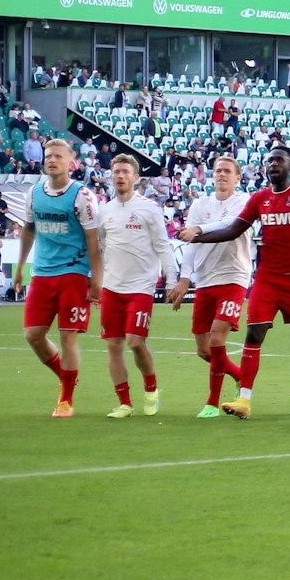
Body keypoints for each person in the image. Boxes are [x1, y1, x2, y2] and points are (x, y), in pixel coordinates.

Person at [179, 146, 290, 419]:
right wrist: (196, 238)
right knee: (254, 335)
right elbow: (233, 229)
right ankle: (244, 400)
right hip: (267, 279)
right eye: (270, 160)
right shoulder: (260, 199)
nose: (273, 164)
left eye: (279, 160)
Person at [12, 138, 100, 417]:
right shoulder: (34, 193)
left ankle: (66, 399)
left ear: (71, 162)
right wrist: (20, 266)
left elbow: (92, 239)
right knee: (33, 335)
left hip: (73, 274)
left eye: (58, 156)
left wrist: (96, 278)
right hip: (42, 274)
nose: (52, 160)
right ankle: (66, 375)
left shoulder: (82, 196)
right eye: (48, 156)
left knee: (68, 337)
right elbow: (28, 230)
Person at [167, 155, 253, 418]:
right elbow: (192, 243)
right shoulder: (200, 204)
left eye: (228, 171)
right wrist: (185, 278)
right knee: (204, 350)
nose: (222, 175)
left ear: (238, 177)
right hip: (205, 279)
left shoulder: (244, 202)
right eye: (218, 171)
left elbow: (229, 226)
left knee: (217, 338)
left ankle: (212, 403)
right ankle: (241, 376)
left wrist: (198, 228)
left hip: (233, 276)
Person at [95, 155, 174, 418]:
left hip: (141, 286)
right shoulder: (104, 211)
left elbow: (163, 245)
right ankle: (125, 403)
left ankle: (151, 389)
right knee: (113, 345)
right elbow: (100, 245)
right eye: (116, 171)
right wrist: (95, 279)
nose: (120, 176)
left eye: (125, 172)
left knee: (135, 342)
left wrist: (171, 280)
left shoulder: (149, 208)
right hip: (112, 287)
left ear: (135, 177)